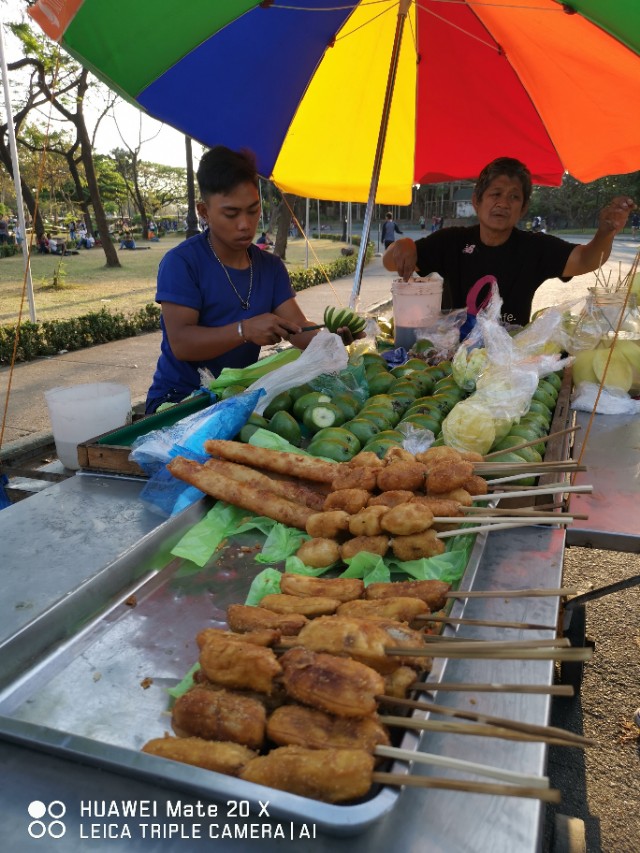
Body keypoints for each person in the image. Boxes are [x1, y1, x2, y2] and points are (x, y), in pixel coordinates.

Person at [145, 146, 359, 414]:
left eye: (253, 210)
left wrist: (330, 341)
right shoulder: (182, 263)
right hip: (179, 400)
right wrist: (243, 330)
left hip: (236, 398)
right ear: (204, 211)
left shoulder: (270, 267)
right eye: (231, 214)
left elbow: (298, 327)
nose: (245, 224)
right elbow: (182, 343)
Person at [383, 157, 636, 327]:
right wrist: (401, 245)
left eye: (514, 197)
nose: (503, 203)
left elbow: (585, 260)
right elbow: (390, 263)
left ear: (523, 208)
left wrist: (605, 233)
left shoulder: (535, 248)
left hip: (510, 362)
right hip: (453, 359)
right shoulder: (451, 241)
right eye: (495, 194)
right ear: (477, 201)